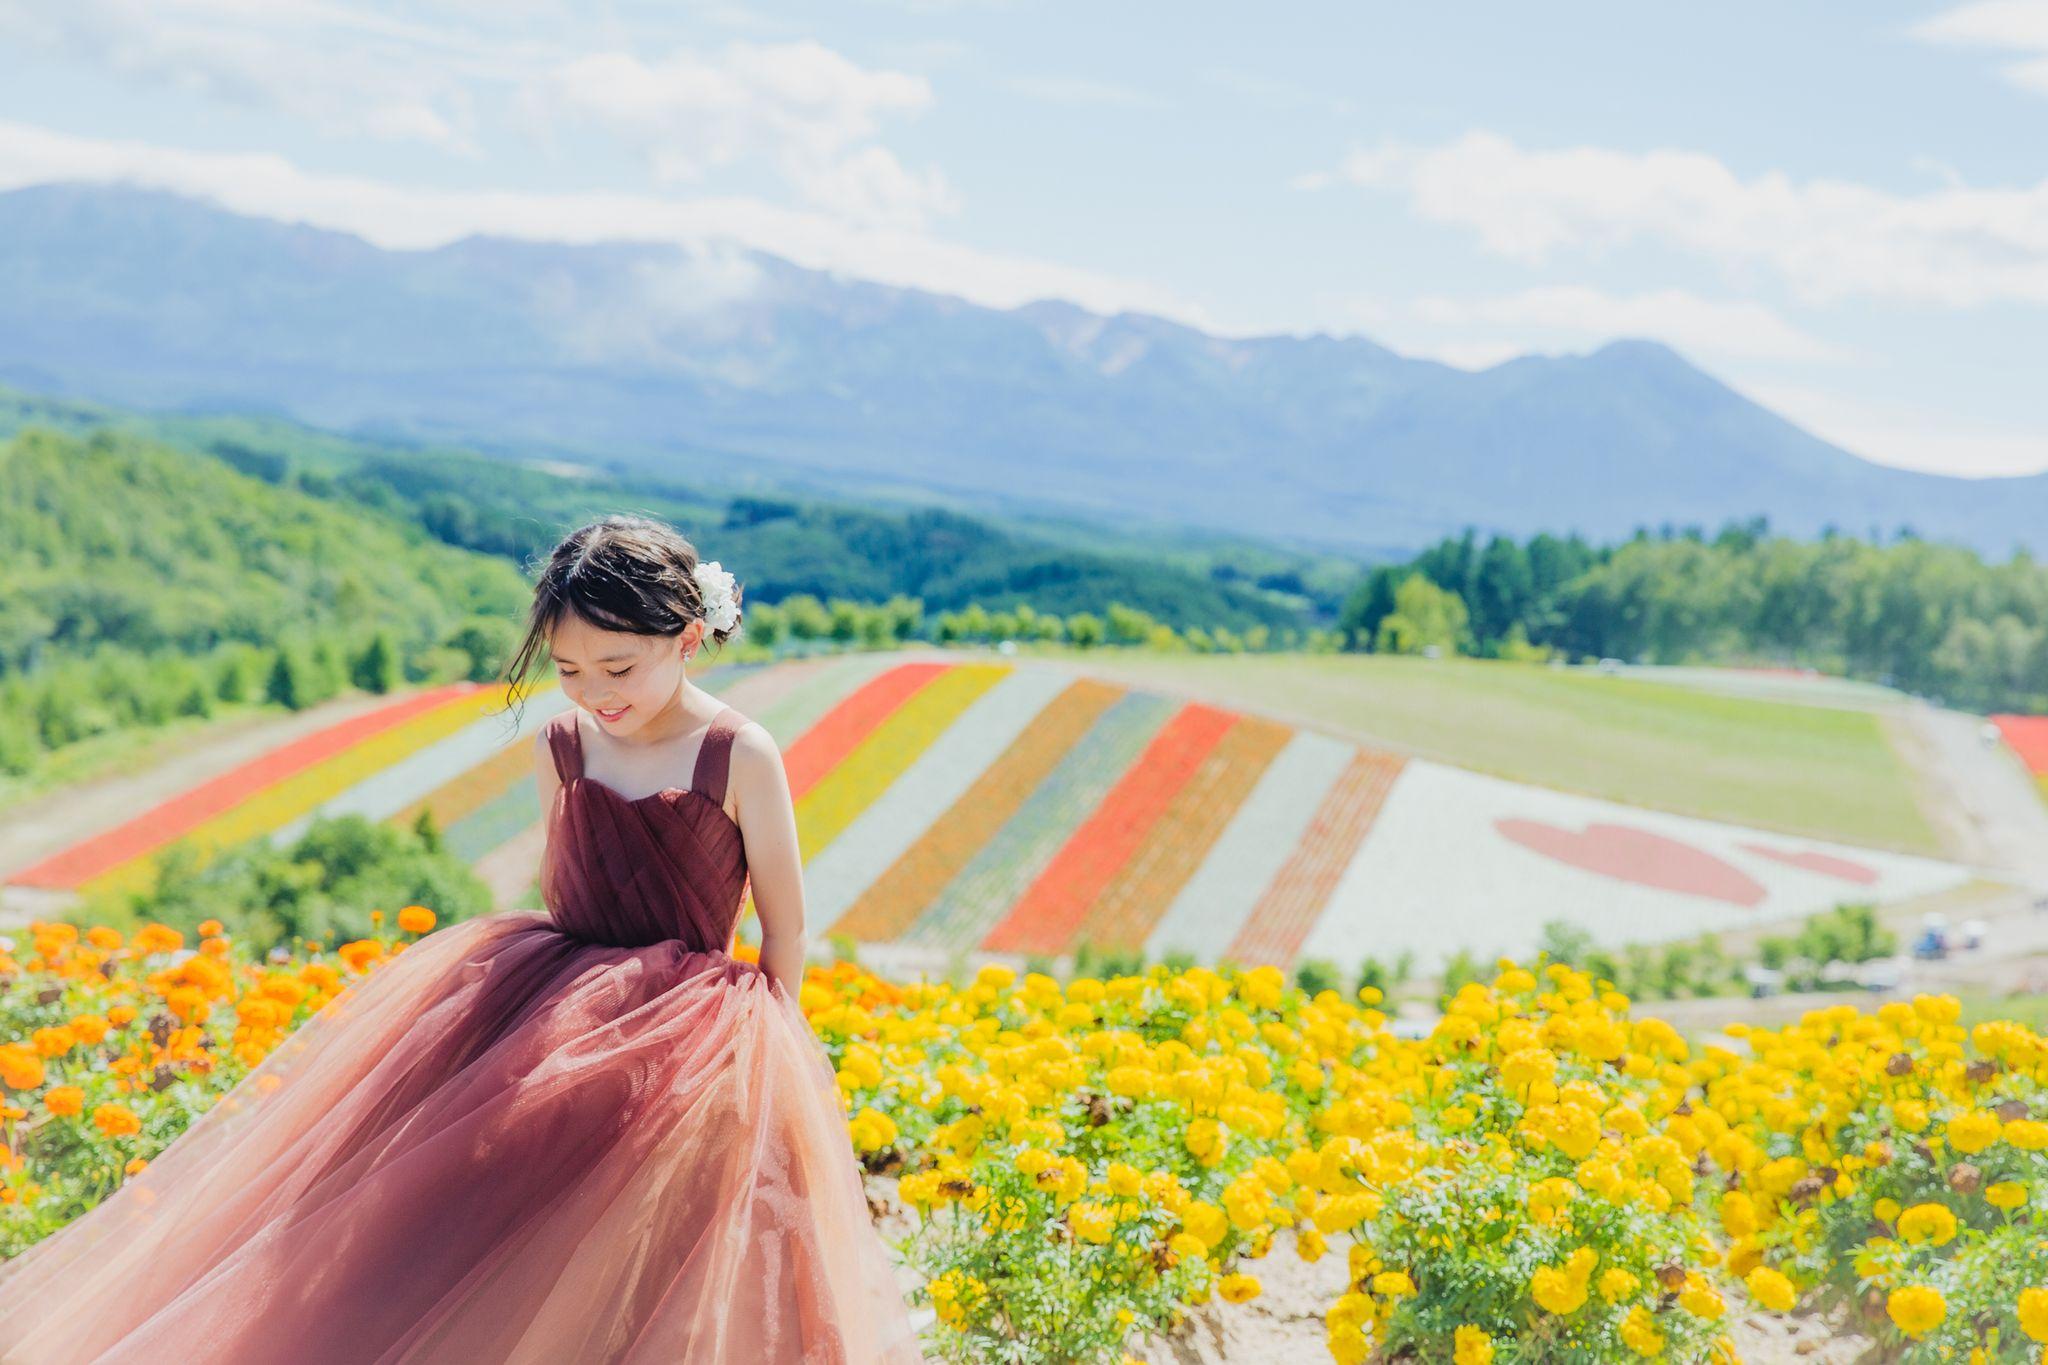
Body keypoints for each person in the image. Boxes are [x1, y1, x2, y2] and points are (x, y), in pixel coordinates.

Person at [0, 515, 926, 1364]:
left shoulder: (739, 752)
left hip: (696, 1030)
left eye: (619, 667)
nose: (596, 692)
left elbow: (785, 918)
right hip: (556, 997)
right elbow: (567, 879)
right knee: (463, 1222)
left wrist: (776, 1057)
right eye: (569, 669)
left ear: (687, 639)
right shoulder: (562, 743)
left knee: (666, 1244)